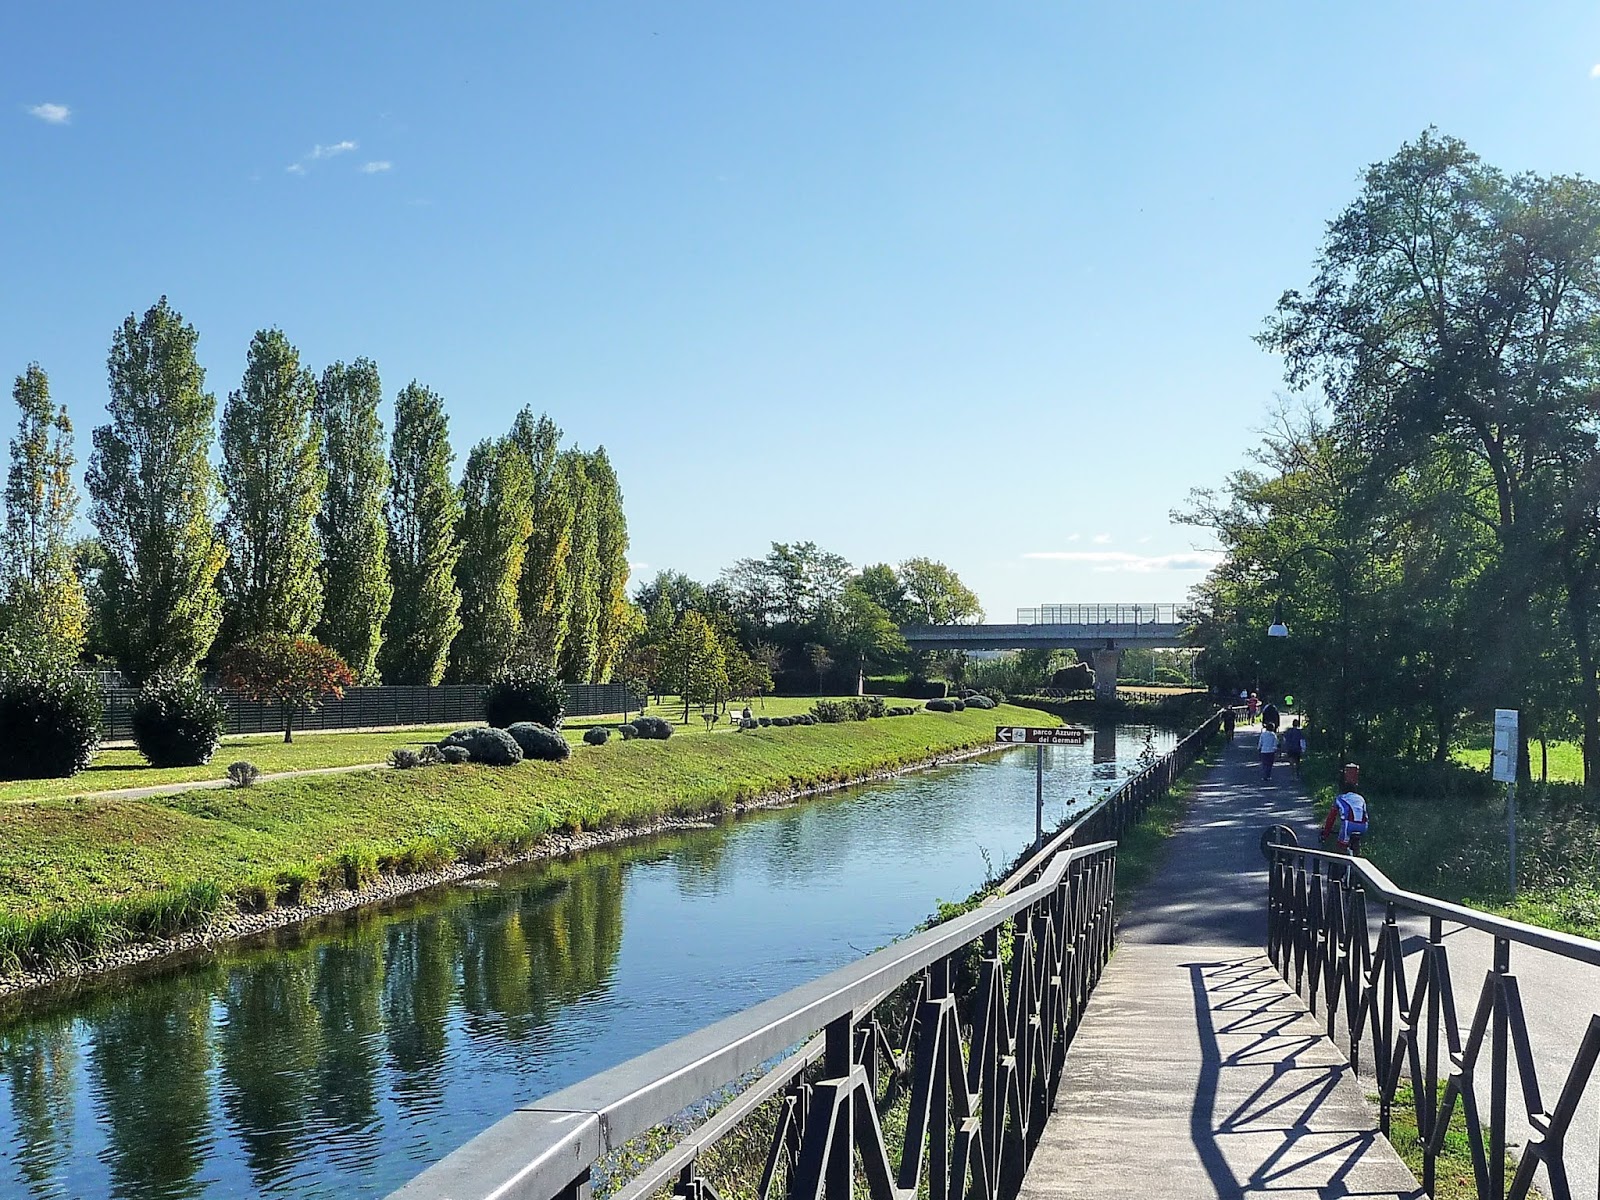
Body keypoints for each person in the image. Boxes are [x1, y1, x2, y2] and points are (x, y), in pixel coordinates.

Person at [1321, 764, 1369, 855]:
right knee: (1356, 843)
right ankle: (1357, 857)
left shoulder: (1340, 798)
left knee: (1340, 847)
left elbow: (1331, 818)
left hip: (1348, 825)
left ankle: (1340, 865)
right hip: (1363, 826)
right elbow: (1365, 815)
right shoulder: (1361, 798)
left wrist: (1326, 833)